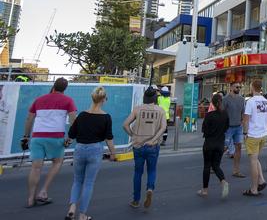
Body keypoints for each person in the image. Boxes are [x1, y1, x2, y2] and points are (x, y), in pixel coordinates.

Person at [22, 77, 77, 208]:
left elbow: (29, 118)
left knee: (35, 167)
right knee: (57, 162)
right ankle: (43, 191)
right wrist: (70, 137)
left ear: (53, 86)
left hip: (37, 136)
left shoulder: (39, 99)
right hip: (56, 136)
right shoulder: (68, 101)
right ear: (65, 88)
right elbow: (74, 119)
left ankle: (30, 198)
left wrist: (26, 136)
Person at [65, 86, 116, 220]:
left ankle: (72, 208)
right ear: (104, 99)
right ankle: (82, 215)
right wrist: (113, 153)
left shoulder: (81, 115)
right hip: (95, 150)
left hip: (80, 149)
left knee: (77, 181)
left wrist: (67, 142)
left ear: (92, 98)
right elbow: (108, 138)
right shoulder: (106, 117)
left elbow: (72, 134)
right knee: (88, 183)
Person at [123, 87, 167, 209]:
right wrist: (154, 139)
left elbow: (125, 124)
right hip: (153, 146)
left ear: (144, 98)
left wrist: (133, 135)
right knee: (152, 170)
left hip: (138, 146)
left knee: (138, 173)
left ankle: (136, 200)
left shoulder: (137, 109)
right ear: (155, 98)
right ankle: (150, 188)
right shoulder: (161, 110)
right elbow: (163, 128)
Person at [197, 92, 230, 199]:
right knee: (216, 166)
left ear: (213, 103)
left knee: (207, 166)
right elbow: (226, 128)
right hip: (220, 143)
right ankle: (223, 181)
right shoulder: (225, 115)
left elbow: (204, 130)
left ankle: (205, 190)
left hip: (209, 143)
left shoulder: (209, 115)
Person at [242, 79, 267, 196]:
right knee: (256, 157)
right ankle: (261, 180)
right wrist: (266, 130)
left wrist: (245, 133)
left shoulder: (251, 102)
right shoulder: (266, 102)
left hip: (253, 135)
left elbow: (246, 119)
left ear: (252, 87)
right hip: (263, 134)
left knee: (253, 161)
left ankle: (254, 189)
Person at [223, 82, 246, 177]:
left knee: (239, 148)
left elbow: (243, 112)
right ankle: (214, 165)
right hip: (228, 127)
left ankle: (236, 170)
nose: (239, 88)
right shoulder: (225, 99)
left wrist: (243, 125)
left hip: (238, 127)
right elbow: (221, 112)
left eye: (240, 87)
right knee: (224, 147)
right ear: (231, 87)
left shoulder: (242, 99)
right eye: (237, 87)